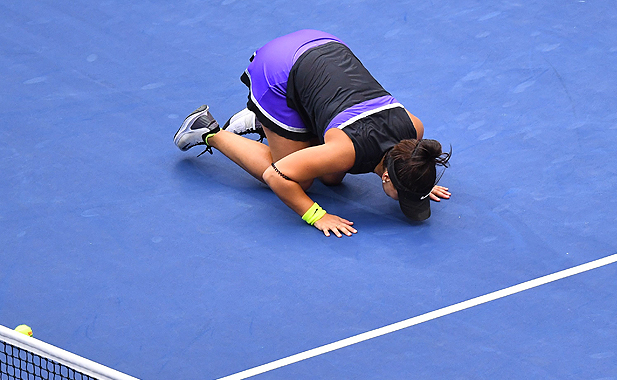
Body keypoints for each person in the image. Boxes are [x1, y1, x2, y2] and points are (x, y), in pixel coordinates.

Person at [174, 29, 451, 237]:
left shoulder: (414, 130)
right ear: (387, 177)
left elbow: (408, 159)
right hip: (277, 69)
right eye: (401, 194)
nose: (402, 199)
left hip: (322, 43)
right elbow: (277, 176)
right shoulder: (347, 150)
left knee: (331, 177)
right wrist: (316, 215)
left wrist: (419, 180)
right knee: (299, 181)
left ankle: (273, 127)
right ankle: (208, 129)